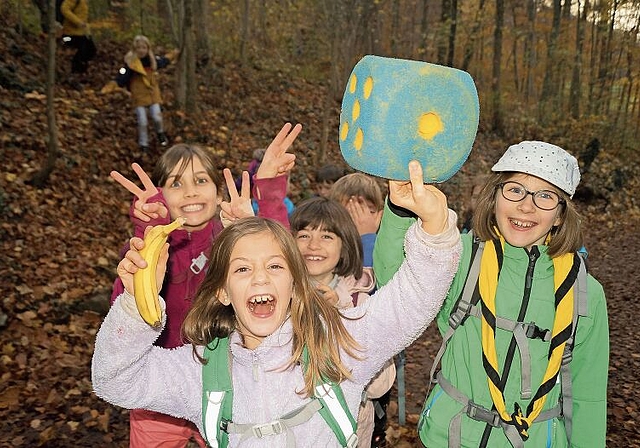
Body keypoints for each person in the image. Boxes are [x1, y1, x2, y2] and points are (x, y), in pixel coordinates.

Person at [92, 160, 462, 447]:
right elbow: (114, 380)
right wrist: (136, 306)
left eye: (274, 266)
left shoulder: (339, 343)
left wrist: (434, 225)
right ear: (221, 291)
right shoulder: (201, 369)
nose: (260, 278)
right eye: (241, 269)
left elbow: (413, 298)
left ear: (295, 284)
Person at [373, 141, 609, 448]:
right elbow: (396, 283)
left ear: (561, 215)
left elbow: (587, 396)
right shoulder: (461, 257)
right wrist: (400, 208)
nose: (527, 206)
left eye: (546, 196)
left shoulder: (585, 293)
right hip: (449, 438)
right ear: (494, 196)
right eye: (515, 190)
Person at [107, 123, 301, 448]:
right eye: (176, 184)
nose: (191, 192)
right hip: (160, 387)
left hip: (224, 382)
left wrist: (267, 192)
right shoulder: (152, 247)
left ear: (217, 191)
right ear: (160, 195)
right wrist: (150, 232)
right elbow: (126, 312)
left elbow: (281, 267)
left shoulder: (229, 243)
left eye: (201, 181)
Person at [289, 196, 395, 447]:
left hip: (350, 429)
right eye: (304, 235)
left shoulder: (360, 301)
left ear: (344, 246)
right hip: (293, 429)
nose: (313, 245)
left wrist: (342, 313)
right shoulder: (277, 297)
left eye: (327, 236)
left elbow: (380, 385)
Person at [328, 174, 391, 446]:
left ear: (379, 214)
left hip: (373, 376)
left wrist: (367, 237)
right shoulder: (327, 250)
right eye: (345, 214)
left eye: (364, 211)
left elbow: (377, 282)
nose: (353, 221)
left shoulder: (385, 247)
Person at [116, 35, 171, 151]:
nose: (141, 50)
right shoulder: (131, 64)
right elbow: (122, 77)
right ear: (134, 49)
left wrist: (174, 55)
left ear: (148, 49)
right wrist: (119, 82)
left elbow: (164, 61)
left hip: (152, 94)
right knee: (142, 120)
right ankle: (143, 143)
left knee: (157, 117)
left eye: (144, 48)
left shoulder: (152, 60)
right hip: (138, 95)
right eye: (139, 48)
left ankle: (160, 133)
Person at [60, 0, 96, 76]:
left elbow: (84, 18)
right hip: (68, 36)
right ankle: (76, 71)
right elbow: (64, 9)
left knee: (91, 50)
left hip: (81, 33)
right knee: (82, 48)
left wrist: (88, 32)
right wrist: (77, 22)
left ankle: (81, 69)